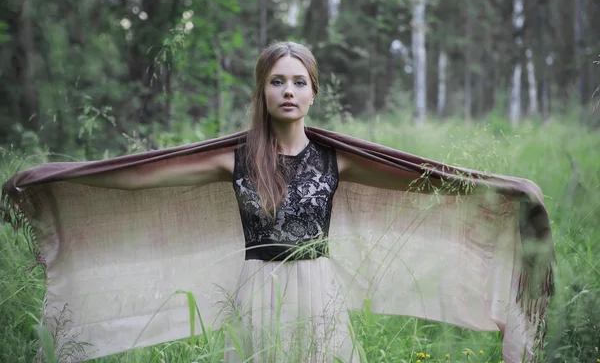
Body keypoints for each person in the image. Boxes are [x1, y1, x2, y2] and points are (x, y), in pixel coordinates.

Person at [2, 41, 554, 363]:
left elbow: (426, 180)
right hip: (259, 289)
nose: (287, 90)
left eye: (298, 81)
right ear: (262, 92)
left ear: (313, 92)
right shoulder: (236, 160)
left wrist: (506, 187)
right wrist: (58, 176)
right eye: (276, 81)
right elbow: (145, 175)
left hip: (317, 290)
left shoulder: (338, 159)